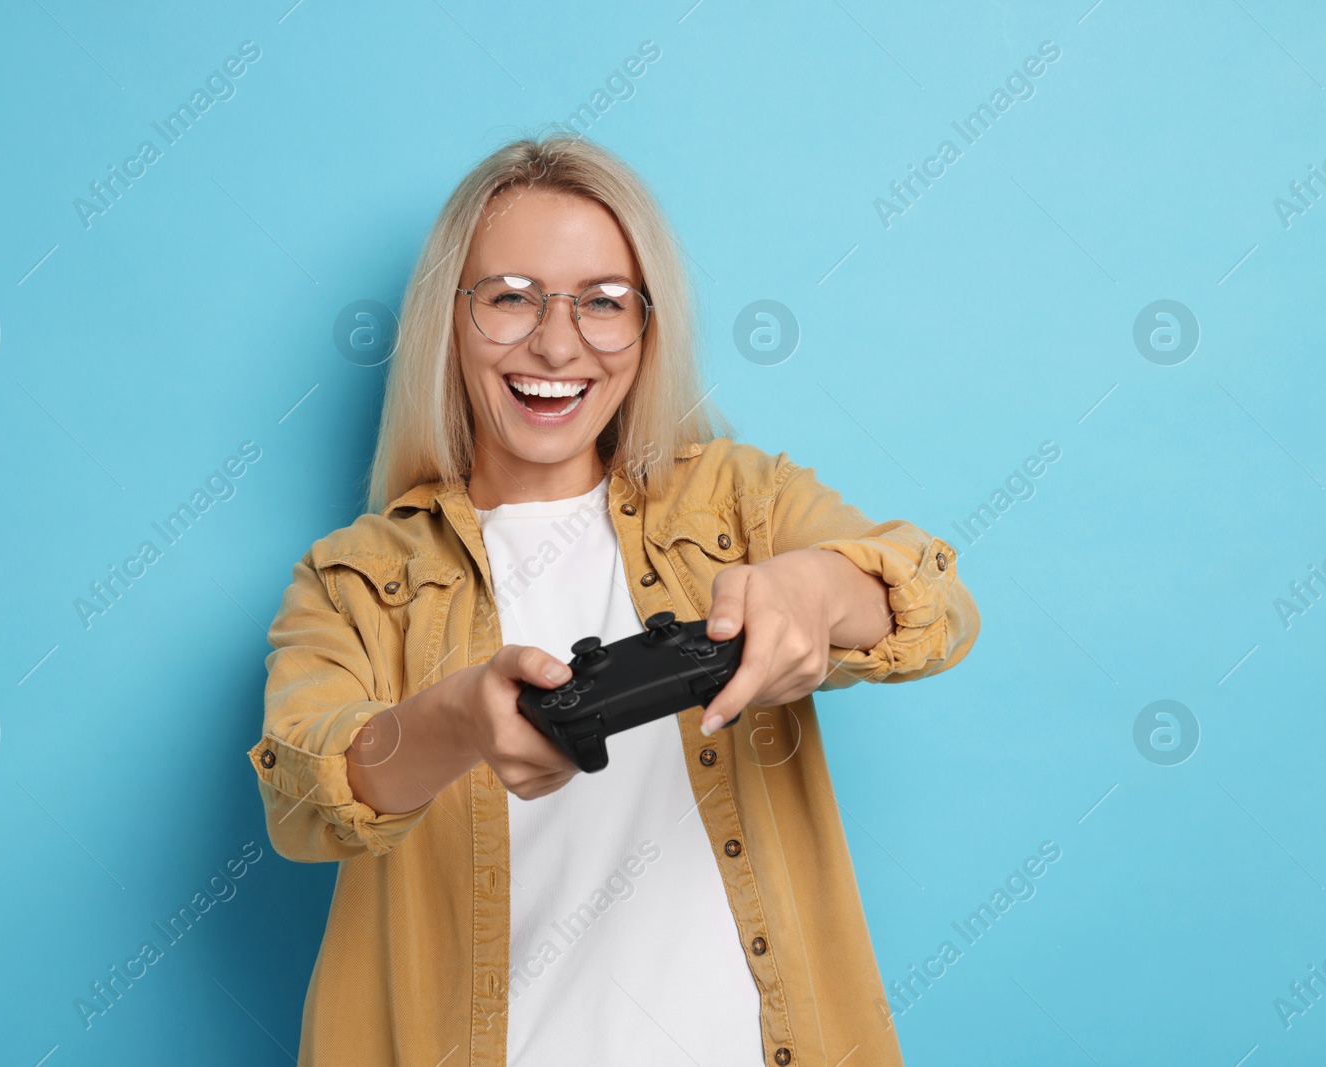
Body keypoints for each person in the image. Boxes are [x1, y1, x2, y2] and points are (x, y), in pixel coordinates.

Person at [248, 131, 980, 1067]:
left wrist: (817, 587)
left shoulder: (738, 501)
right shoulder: (353, 578)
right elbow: (304, 792)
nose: (558, 343)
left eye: (603, 303)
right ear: (450, 319)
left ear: (648, 325)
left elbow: (934, 596)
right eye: (511, 298)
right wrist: (456, 721)